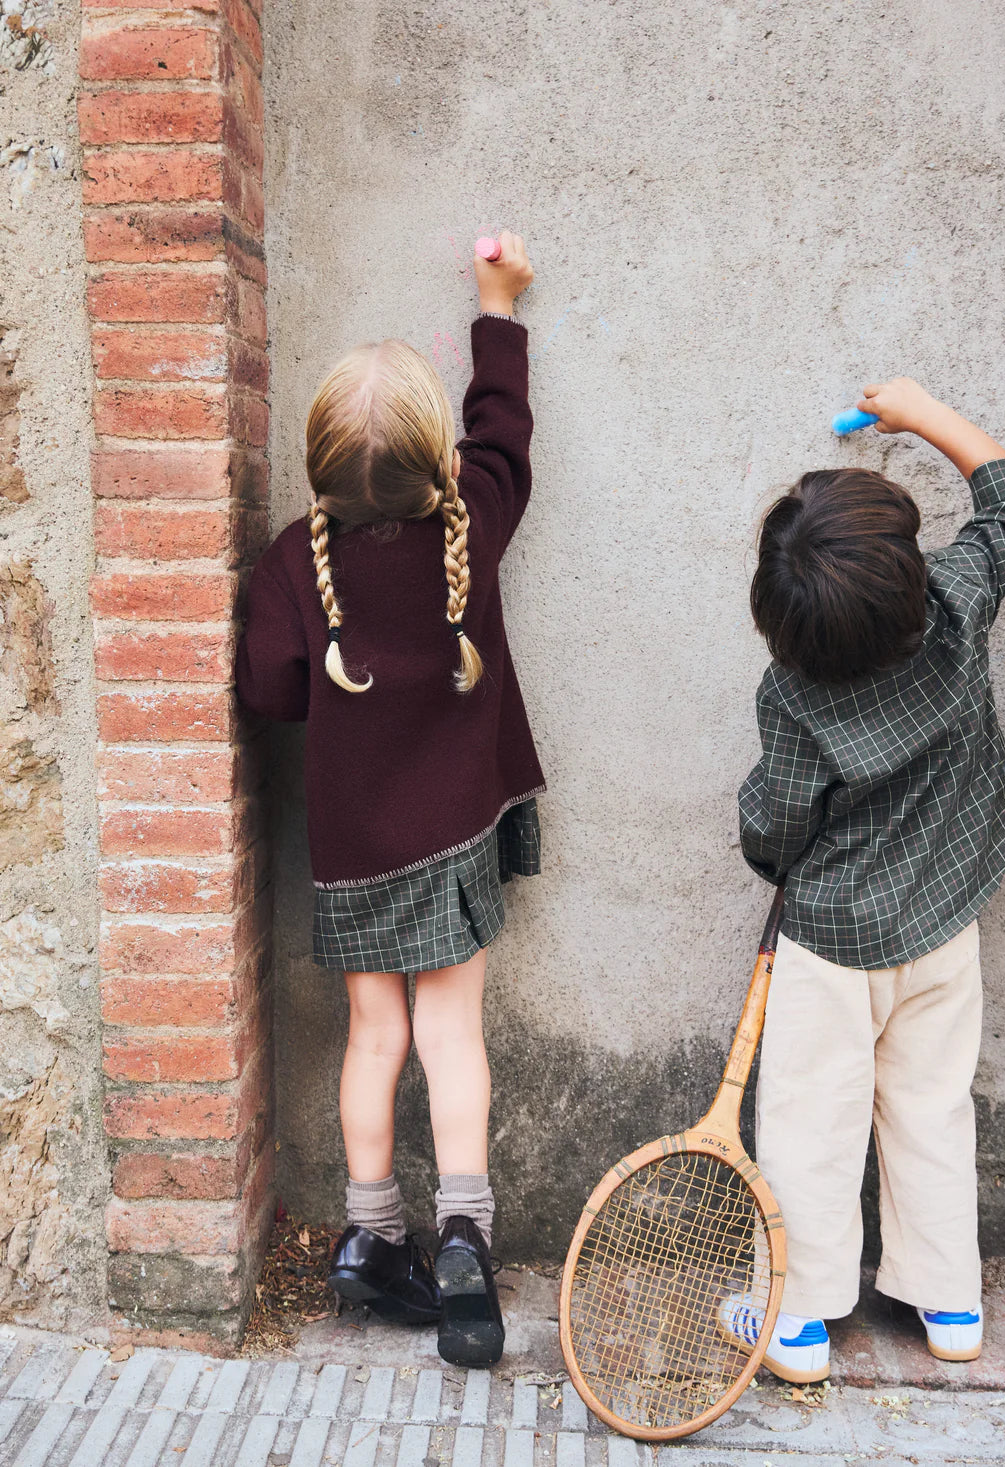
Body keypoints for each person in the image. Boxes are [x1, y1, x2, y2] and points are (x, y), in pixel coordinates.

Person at [235, 233, 543, 1367]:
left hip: (354, 847)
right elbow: (503, 435)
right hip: (455, 835)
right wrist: (494, 305)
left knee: (375, 1038)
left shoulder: (287, 566)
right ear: (436, 467)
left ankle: (369, 1243)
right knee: (450, 1033)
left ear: (320, 471)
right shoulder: (476, 525)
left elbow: (269, 693)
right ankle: (462, 1241)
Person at [718, 378, 1005, 1382]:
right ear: (907, 573)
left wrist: (766, 853)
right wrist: (918, 411)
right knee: (930, 1101)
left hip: (831, 940)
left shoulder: (792, 694)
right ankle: (948, 1303)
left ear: (781, 622)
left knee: (813, 1121)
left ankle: (800, 1322)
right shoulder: (954, 604)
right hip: (944, 919)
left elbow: (774, 819)